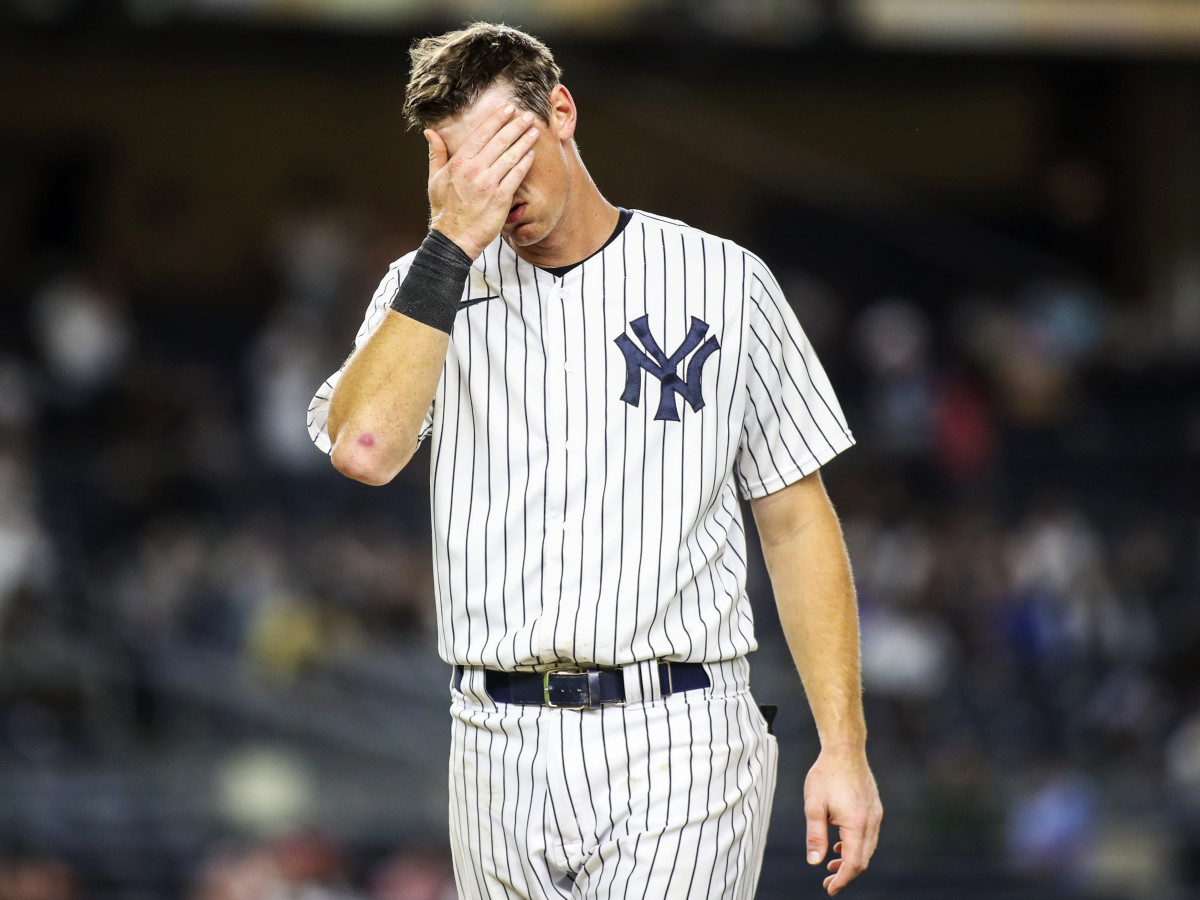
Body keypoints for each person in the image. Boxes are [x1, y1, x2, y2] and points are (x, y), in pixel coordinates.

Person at [308, 22, 881, 899]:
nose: (497, 191)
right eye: (469, 169)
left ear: (561, 113)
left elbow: (796, 516)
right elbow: (366, 451)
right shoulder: (423, 289)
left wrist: (843, 748)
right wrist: (450, 245)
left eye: (509, 153)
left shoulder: (722, 280)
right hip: (492, 740)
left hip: (679, 730)